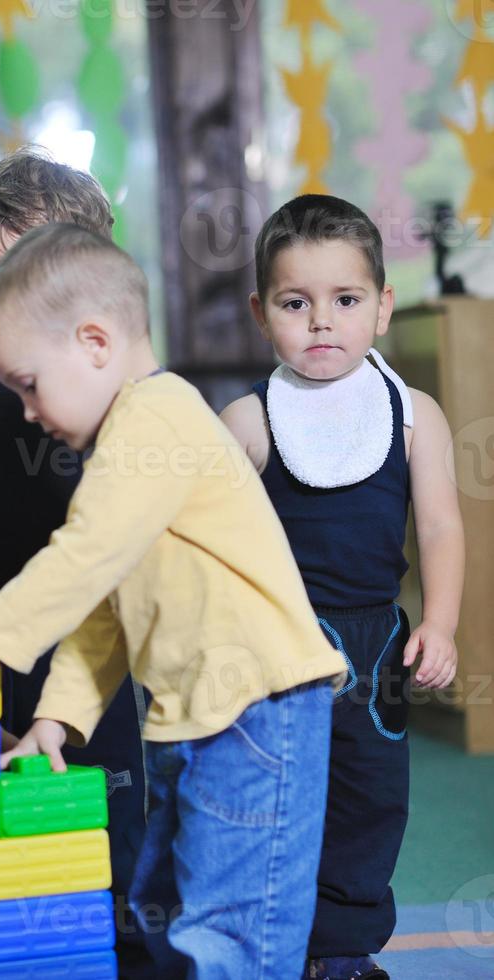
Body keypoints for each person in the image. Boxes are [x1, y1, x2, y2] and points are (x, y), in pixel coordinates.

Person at [0, 223, 347, 977]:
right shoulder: (123, 444)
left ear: (95, 342)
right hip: (193, 713)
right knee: (162, 900)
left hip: (258, 705)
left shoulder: (156, 420)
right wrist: (59, 717)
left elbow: (82, 560)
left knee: (231, 927)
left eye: (28, 384)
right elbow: (104, 607)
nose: (25, 410)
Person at [221, 194, 464, 980]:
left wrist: (444, 623)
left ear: (383, 308)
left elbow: (439, 530)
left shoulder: (411, 414)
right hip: (282, 644)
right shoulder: (252, 419)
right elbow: (211, 544)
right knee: (275, 801)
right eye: (297, 303)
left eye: (346, 300)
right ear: (263, 314)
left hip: (378, 641)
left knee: (371, 799)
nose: (322, 321)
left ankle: (345, 951)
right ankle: (272, 941)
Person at [0, 146, 150, 975]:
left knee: (108, 819)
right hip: (0, 629)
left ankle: (126, 946)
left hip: (100, 646)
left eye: (11, 280)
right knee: (9, 804)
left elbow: (106, 547)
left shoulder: (127, 397)